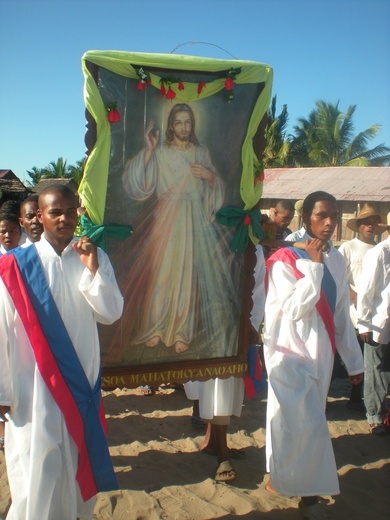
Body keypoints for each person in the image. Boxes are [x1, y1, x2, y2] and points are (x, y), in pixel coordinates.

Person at [0, 185, 124, 520]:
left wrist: (94, 269)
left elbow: (111, 313)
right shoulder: (13, 266)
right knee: (36, 466)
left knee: (75, 464)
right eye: (56, 212)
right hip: (33, 387)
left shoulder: (92, 256)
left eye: (71, 211)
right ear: (39, 216)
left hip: (81, 380)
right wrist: (3, 390)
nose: (65, 218)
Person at [106, 102, 240, 361]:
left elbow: (218, 188)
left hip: (192, 219)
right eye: (178, 122)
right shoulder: (161, 152)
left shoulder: (201, 153)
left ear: (193, 124)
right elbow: (139, 185)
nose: (184, 127)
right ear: (171, 125)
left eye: (188, 122)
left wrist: (210, 177)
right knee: (163, 273)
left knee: (186, 276)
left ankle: (180, 332)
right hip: (166, 217)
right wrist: (148, 151)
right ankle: (155, 327)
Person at [263, 191, 364, 519]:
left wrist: (353, 360)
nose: (330, 222)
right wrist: (314, 268)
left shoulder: (336, 258)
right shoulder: (286, 259)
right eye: (322, 215)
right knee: (305, 425)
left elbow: (339, 314)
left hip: (321, 355)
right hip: (290, 354)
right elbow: (293, 308)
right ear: (306, 218)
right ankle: (308, 496)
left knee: (303, 423)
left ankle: (282, 479)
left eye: (334, 216)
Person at [184, 244, 266, 482]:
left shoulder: (253, 247)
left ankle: (214, 443)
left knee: (228, 389)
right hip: (206, 324)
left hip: (237, 326)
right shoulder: (201, 238)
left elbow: (258, 289)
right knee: (217, 387)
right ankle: (222, 455)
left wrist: (251, 323)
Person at [338, 203, 382, 410]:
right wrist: (353, 294)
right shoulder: (348, 247)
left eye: (374, 223)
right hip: (351, 310)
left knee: (369, 355)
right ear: (359, 226)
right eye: (366, 223)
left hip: (374, 312)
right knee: (349, 352)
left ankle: (359, 397)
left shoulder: (380, 250)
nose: (370, 227)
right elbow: (338, 278)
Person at [357, 232, 390, 435]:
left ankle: (382, 411)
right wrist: (364, 324)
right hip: (378, 321)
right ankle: (374, 416)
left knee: (385, 371)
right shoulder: (379, 252)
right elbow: (366, 290)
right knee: (374, 369)